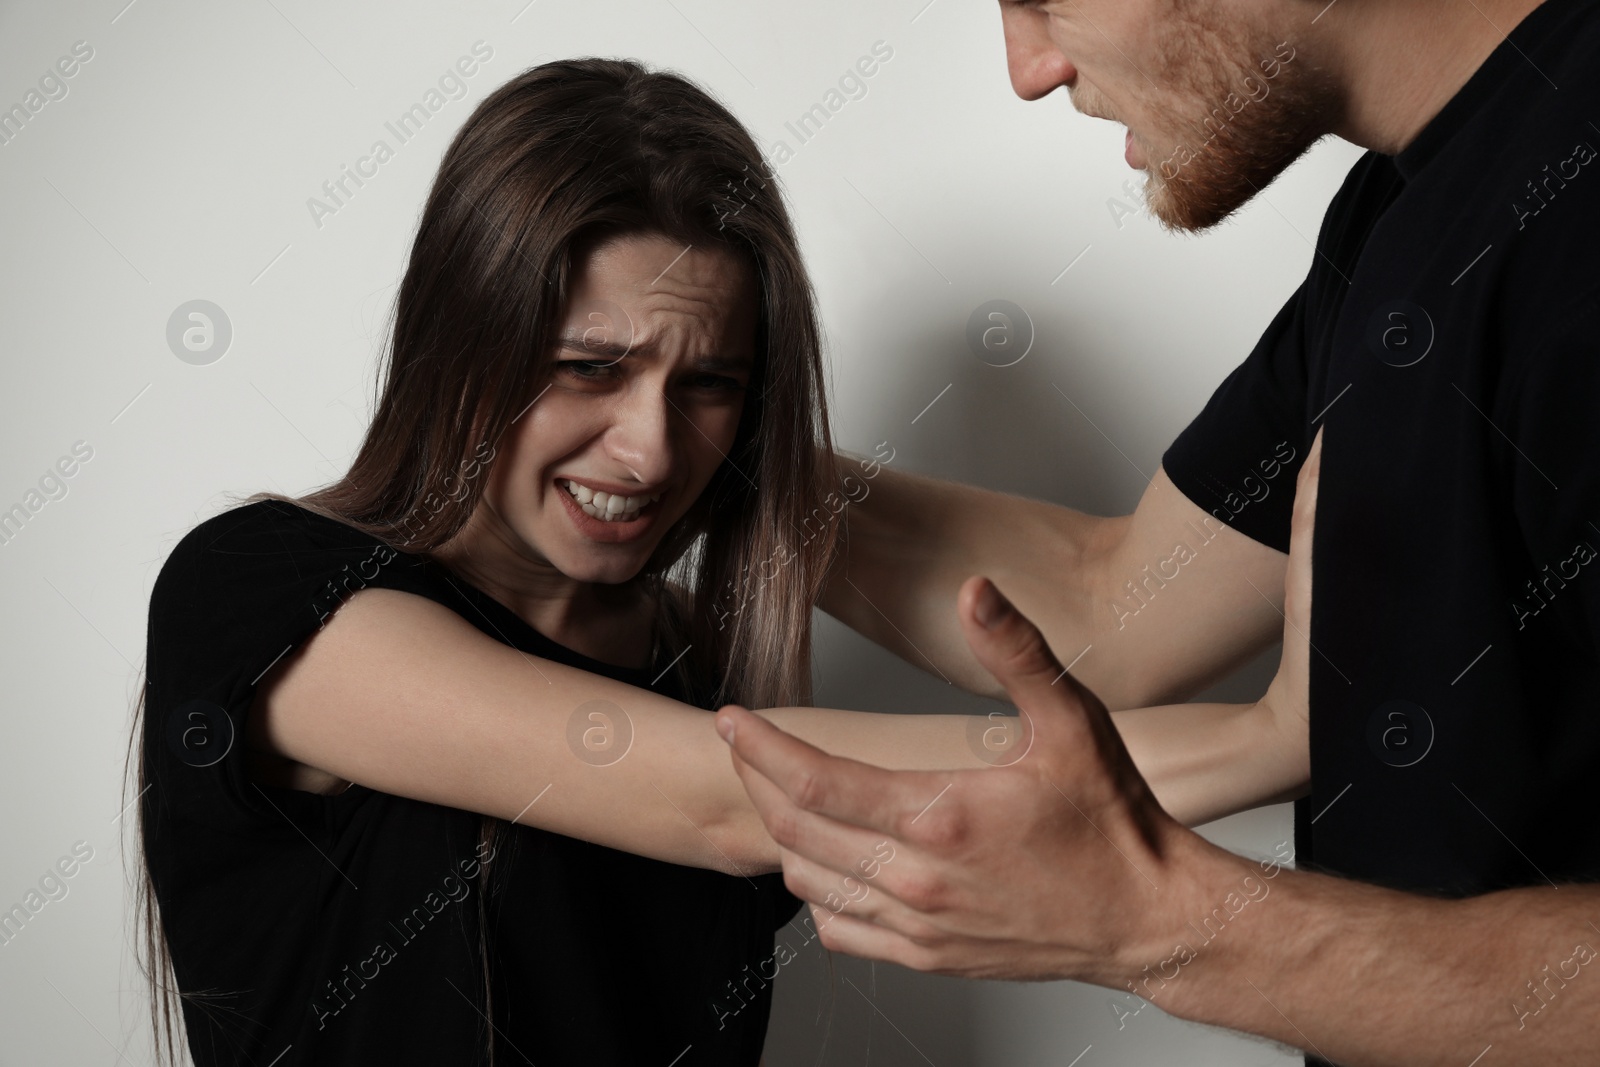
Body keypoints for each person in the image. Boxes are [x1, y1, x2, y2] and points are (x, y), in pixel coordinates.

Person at [716, 0, 1600, 1063]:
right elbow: (1115, 602)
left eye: (1046, 0)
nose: (1028, 69)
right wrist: (694, 444)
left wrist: (1158, 925)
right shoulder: (1401, 209)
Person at [133, 57, 1018, 1067]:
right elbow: (731, 800)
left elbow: (1100, 599)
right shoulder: (273, 589)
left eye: (710, 382)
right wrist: (1241, 744)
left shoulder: (702, 659)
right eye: (589, 368)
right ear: (461, 342)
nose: (650, 450)